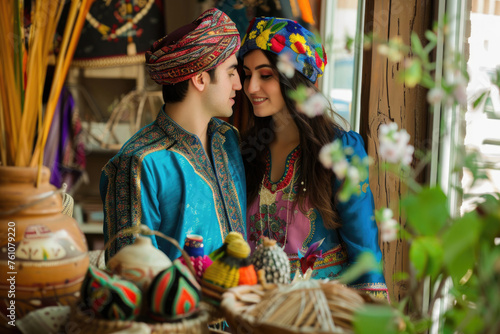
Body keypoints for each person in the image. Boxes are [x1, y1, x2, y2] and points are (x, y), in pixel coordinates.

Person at [239, 16, 388, 299]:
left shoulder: (340, 151)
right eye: (247, 74)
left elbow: (364, 249)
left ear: (296, 79)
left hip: (320, 312)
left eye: (265, 75)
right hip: (252, 311)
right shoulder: (245, 150)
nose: (250, 87)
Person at [100, 8, 246, 262]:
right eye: (231, 73)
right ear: (200, 79)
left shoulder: (229, 140)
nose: (239, 85)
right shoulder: (139, 162)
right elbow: (131, 273)